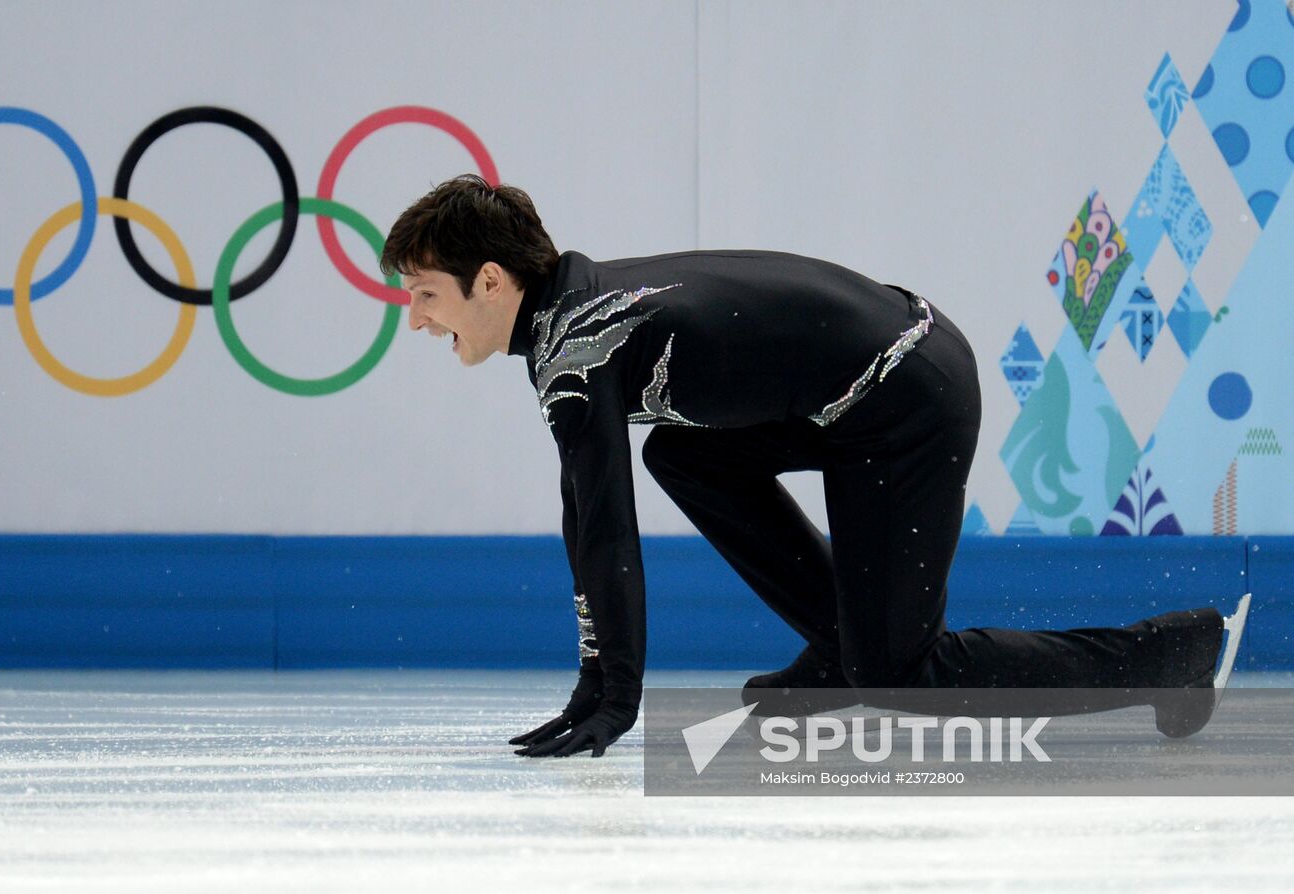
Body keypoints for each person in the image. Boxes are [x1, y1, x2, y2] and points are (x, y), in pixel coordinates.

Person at [381, 174, 1251, 759]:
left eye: (425, 295)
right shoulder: (579, 311)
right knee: (683, 453)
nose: (416, 321)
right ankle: (842, 644)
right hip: (881, 371)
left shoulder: (575, 347)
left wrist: (615, 696)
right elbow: (589, 510)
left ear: (490, 282)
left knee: (904, 678)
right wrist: (595, 678)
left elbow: (602, 521)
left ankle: (1171, 652)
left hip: (905, 401)